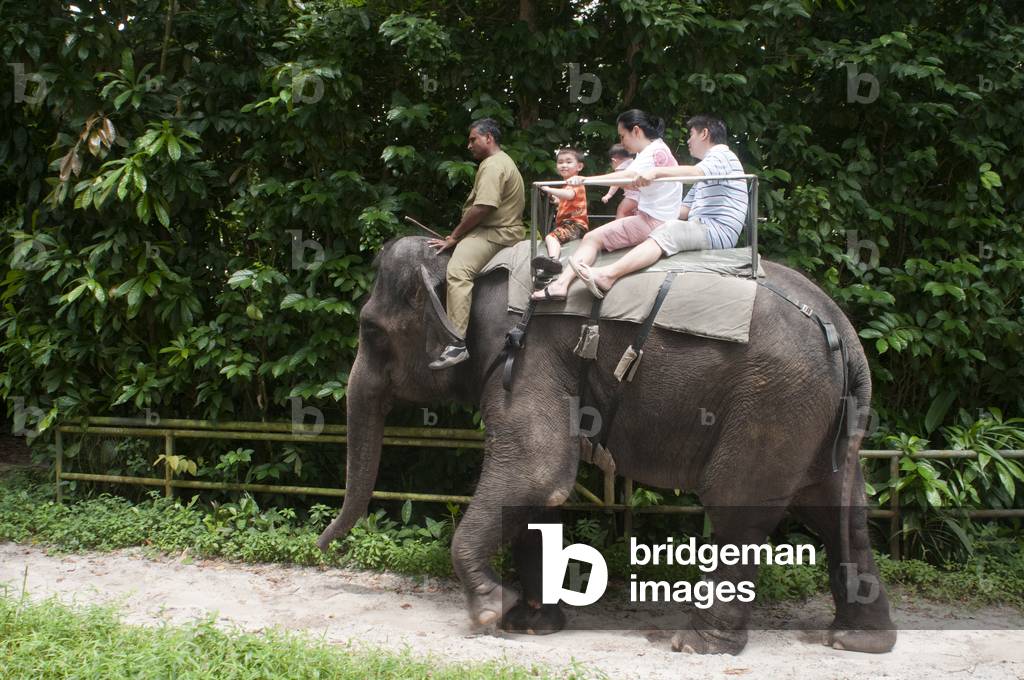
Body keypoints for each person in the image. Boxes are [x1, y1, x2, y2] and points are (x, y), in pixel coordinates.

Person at [575, 115, 748, 296]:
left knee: (670, 230)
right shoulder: (709, 171)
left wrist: (656, 172)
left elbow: (694, 172)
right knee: (666, 225)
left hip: (717, 231)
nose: (688, 141)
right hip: (705, 227)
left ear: (704, 134)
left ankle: (608, 275)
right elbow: (683, 210)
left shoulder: (721, 155)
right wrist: (650, 214)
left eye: (691, 134)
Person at [531, 109, 681, 301]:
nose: (622, 142)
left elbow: (628, 177)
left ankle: (560, 285)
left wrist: (586, 180)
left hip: (652, 222)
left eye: (622, 136)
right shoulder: (656, 149)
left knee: (592, 238)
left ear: (636, 131)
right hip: (657, 219)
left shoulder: (652, 152)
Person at [427, 118, 525, 369]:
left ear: (489, 138)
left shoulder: (493, 165)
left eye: (473, 140)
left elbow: (483, 207)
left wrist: (454, 236)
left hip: (494, 234)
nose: (469, 145)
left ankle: (456, 343)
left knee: (458, 272)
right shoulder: (503, 161)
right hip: (501, 230)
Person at [531, 148, 589, 275]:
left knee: (551, 237)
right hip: (568, 224)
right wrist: (555, 198)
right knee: (553, 235)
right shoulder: (566, 184)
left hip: (575, 224)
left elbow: (569, 195)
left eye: (568, 162)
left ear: (579, 166)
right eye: (560, 162)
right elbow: (566, 200)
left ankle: (554, 261)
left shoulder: (576, 182)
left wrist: (549, 189)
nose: (564, 165)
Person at [600, 144, 638, 219]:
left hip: (633, 196)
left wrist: (609, 194)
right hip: (644, 196)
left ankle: (619, 225)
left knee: (621, 211)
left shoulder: (621, 168)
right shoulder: (636, 163)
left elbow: (616, 182)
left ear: (614, 160)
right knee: (632, 214)